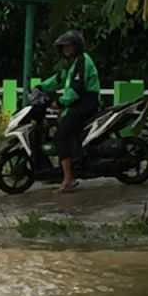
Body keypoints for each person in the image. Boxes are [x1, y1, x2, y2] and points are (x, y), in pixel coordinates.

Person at [38, 30, 100, 193]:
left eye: (68, 46)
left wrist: (59, 102)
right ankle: (71, 166)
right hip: (76, 104)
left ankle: (68, 179)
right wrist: (40, 87)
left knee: (60, 136)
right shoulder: (72, 63)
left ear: (76, 46)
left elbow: (76, 89)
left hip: (85, 104)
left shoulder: (83, 62)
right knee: (67, 133)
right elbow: (58, 79)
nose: (65, 49)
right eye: (63, 47)